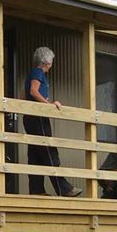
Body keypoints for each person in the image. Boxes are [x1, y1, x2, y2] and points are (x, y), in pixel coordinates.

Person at [22, 46, 81, 197]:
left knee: (35, 153)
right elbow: (33, 92)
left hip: (30, 116)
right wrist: (49, 105)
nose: (52, 63)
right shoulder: (38, 72)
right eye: (52, 60)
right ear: (47, 61)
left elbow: (23, 95)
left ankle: (37, 190)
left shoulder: (33, 73)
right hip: (38, 117)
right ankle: (64, 188)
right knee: (48, 150)